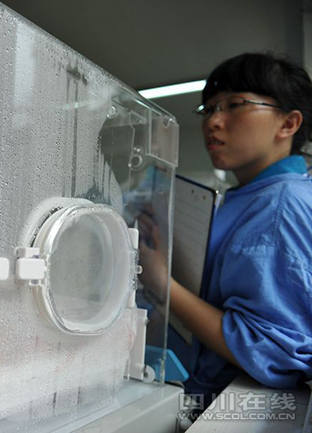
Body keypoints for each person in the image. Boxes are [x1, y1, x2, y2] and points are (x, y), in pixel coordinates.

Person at [138, 52, 312, 408]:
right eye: (209, 108)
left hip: (236, 407)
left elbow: (271, 351)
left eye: (235, 105)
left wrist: (162, 282)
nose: (213, 121)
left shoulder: (280, 207)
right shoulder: (247, 197)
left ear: (288, 123)